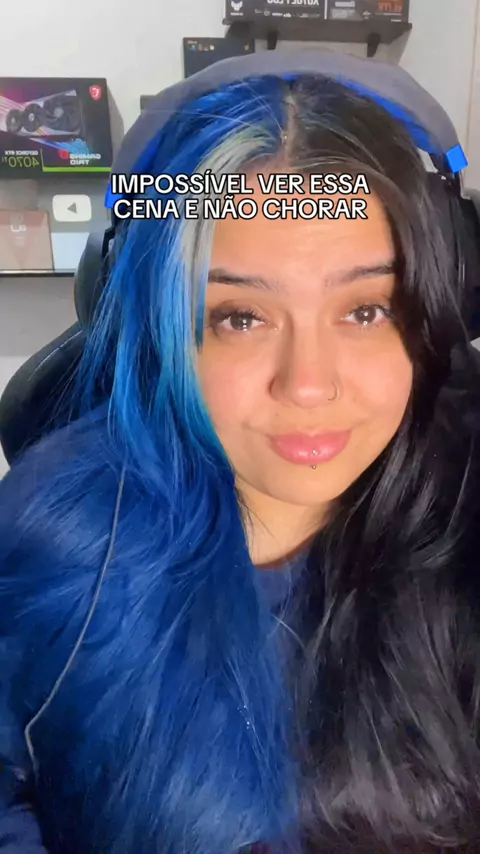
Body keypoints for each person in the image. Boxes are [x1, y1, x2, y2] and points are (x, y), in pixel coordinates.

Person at [1, 55, 480, 854]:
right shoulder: (55, 533)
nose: (309, 385)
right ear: (160, 327)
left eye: (366, 309)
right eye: (239, 317)